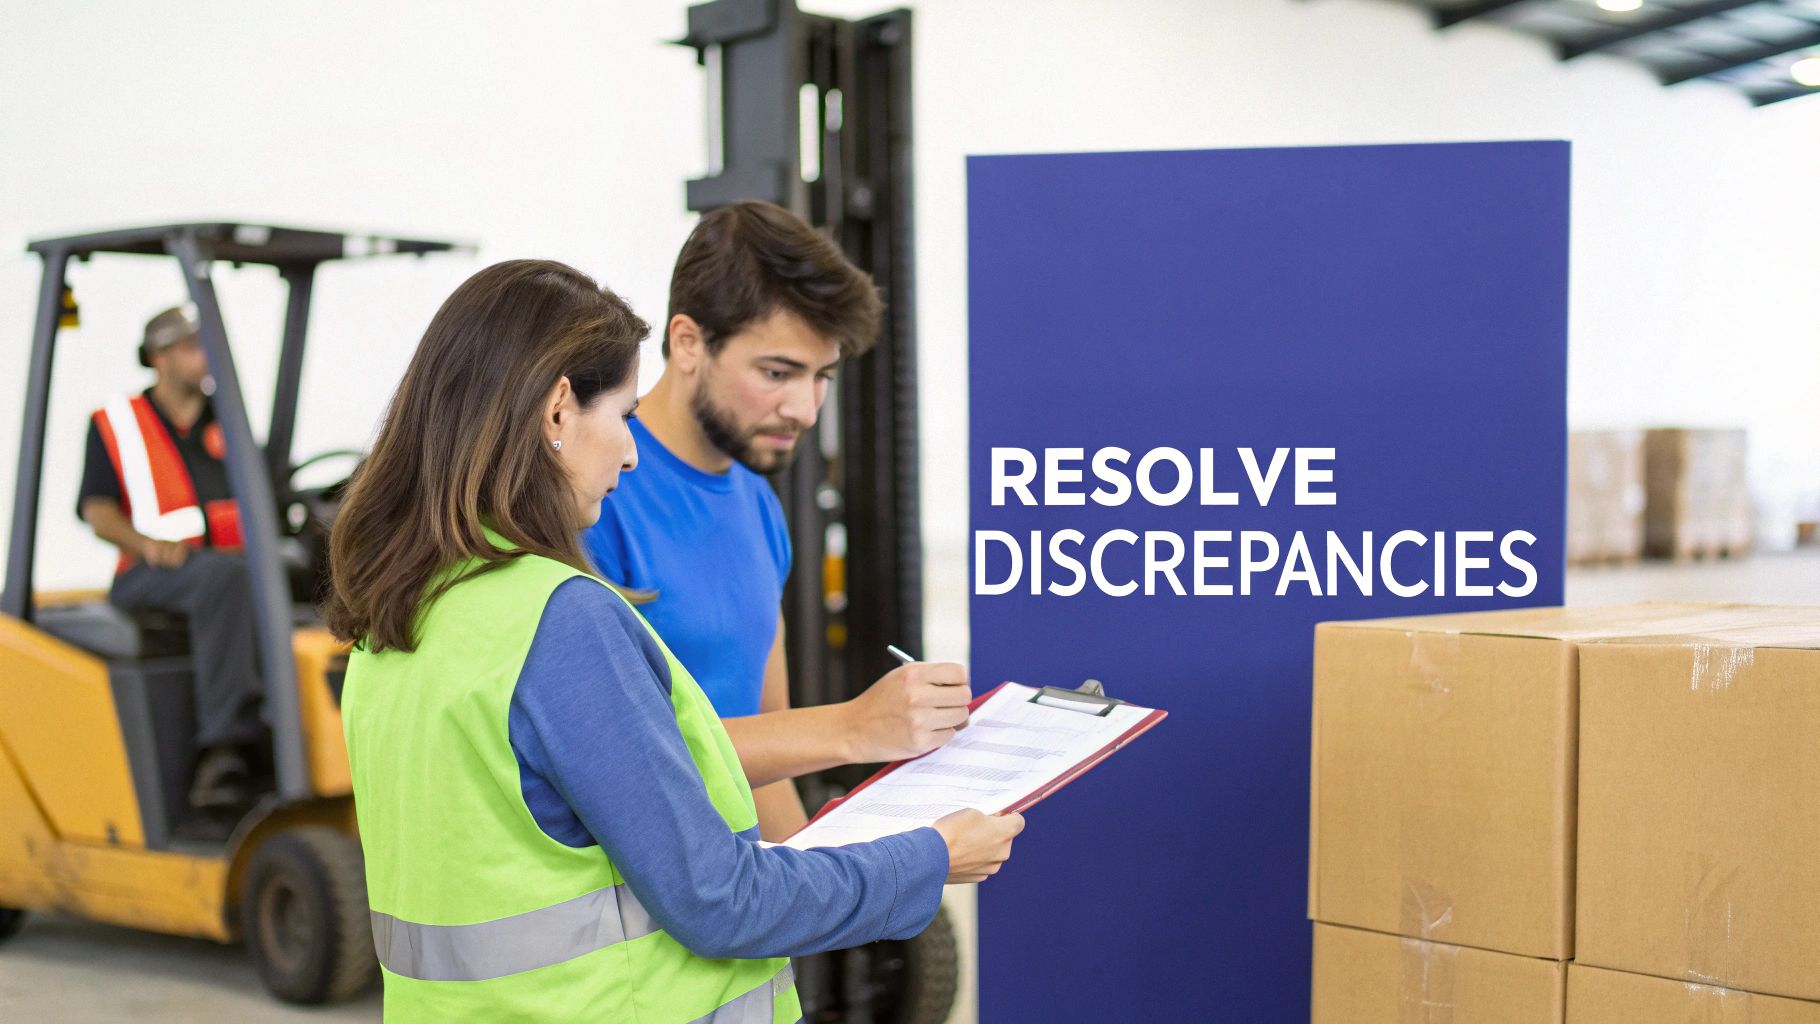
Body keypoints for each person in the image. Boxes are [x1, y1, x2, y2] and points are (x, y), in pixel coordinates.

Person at [325, 259, 1021, 1021]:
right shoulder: (558, 618)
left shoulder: (393, 620)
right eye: (621, 415)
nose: (629, 453)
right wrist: (929, 859)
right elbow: (719, 902)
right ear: (559, 411)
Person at [585, 200, 967, 841]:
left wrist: (825, 899)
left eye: (822, 377)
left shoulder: (758, 504)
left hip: (737, 917)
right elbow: (611, 761)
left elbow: (769, 767)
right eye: (777, 373)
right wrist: (854, 727)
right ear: (687, 343)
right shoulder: (595, 499)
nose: (806, 409)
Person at [78, 303, 265, 808]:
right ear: (160, 358)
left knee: (290, 572)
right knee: (225, 582)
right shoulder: (116, 423)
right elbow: (97, 511)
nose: (204, 357)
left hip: (231, 569)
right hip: (147, 572)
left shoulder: (228, 420)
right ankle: (224, 748)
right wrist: (147, 546)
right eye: (191, 347)